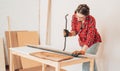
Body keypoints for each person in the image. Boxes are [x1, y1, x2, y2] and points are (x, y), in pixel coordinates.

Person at [64, 4, 102, 71]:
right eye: (77, 16)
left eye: (81, 17)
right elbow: (75, 31)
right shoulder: (74, 16)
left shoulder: (91, 20)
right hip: (82, 42)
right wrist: (69, 34)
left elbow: (90, 37)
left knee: (86, 60)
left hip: (93, 42)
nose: (78, 19)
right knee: (91, 61)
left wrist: (83, 50)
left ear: (86, 16)